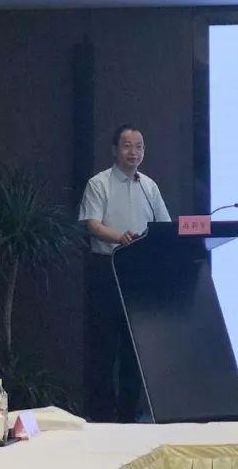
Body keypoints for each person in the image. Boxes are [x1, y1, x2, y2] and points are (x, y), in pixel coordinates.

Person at [78, 125, 171, 423]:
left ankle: (130, 415)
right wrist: (120, 238)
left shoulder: (149, 186)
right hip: (107, 270)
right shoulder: (99, 183)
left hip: (139, 275)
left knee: (135, 349)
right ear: (115, 150)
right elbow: (92, 224)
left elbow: (164, 225)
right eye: (128, 146)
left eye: (139, 146)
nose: (134, 152)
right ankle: (102, 416)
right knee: (104, 348)